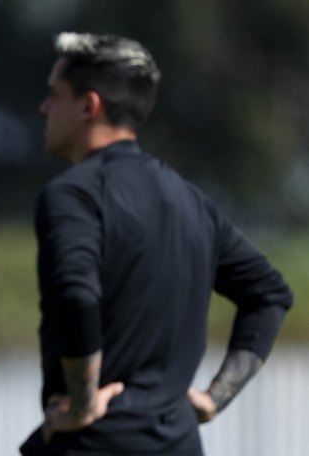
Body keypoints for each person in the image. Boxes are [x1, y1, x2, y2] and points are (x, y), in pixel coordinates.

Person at [20, 32, 293, 456]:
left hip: (95, 443)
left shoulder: (73, 195)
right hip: (180, 444)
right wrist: (213, 399)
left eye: (54, 95)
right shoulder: (193, 201)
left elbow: (75, 293)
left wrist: (84, 404)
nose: (44, 107)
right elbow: (269, 295)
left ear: (89, 105)